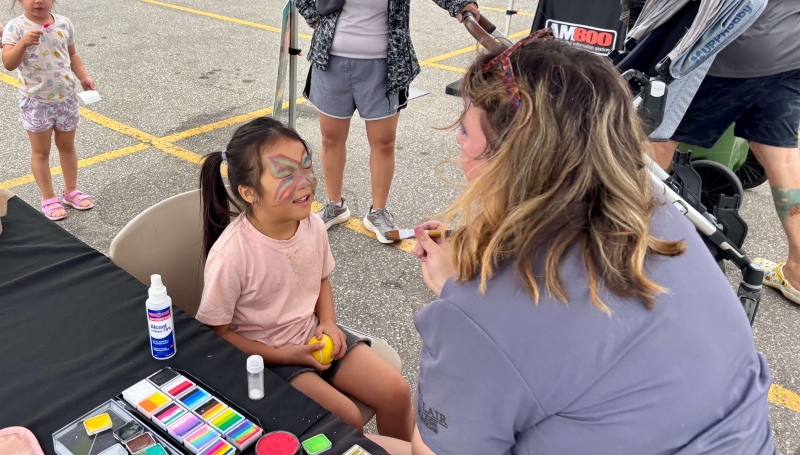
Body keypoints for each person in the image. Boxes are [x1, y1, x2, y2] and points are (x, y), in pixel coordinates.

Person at [375, 35, 775, 454]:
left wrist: (467, 299)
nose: (458, 139)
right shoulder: (659, 214)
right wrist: (465, 284)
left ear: (513, 155)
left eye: (465, 128)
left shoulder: (480, 314)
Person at [196, 117, 413, 440]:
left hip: (313, 335)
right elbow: (217, 334)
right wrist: (285, 356)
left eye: (307, 166)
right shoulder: (232, 255)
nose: (304, 181)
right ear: (248, 192)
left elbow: (321, 278)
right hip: (269, 358)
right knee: (347, 420)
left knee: (397, 391)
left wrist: (328, 322)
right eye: (285, 173)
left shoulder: (311, 225)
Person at [649, 0, 800, 305]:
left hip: (732, 43)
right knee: (782, 154)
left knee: (655, 137)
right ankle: (798, 272)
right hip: (790, 48)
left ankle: (627, 251)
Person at [295, 0, 479, 243]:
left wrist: (460, 4)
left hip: (386, 64)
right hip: (331, 60)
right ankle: (334, 204)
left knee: (383, 142)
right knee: (330, 138)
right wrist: (312, 14)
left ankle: (378, 212)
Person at [2, 0, 96, 220]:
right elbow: (8, 62)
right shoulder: (15, 27)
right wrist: (23, 43)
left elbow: (72, 54)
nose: (38, 1)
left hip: (66, 98)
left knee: (67, 146)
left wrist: (83, 76)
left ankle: (71, 191)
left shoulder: (64, 23)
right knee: (41, 152)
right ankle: (48, 197)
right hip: (36, 101)